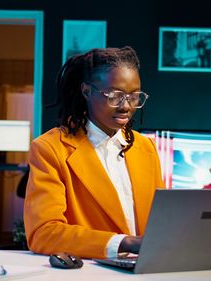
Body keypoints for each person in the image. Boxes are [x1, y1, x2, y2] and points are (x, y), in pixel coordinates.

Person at [24, 46, 164, 259]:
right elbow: (43, 233)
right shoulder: (50, 148)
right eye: (115, 96)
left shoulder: (146, 148)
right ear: (87, 91)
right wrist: (124, 243)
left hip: (146, 271)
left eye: (134, 96)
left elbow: (161, 220)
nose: (126, 106)